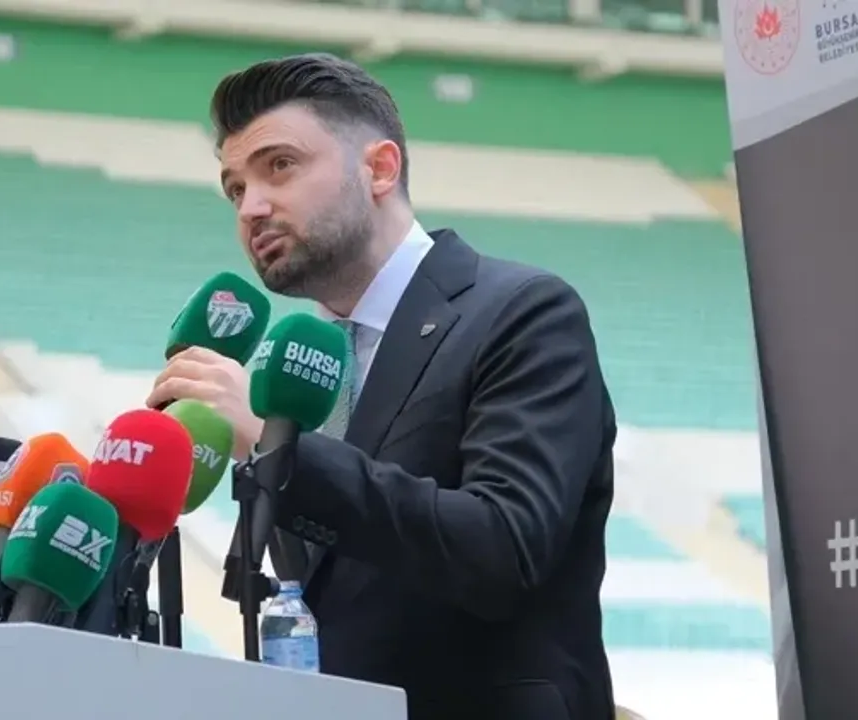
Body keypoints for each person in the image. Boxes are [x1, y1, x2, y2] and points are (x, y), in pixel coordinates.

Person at [146, 53, 617, 720]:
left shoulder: (524, 312)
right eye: (234, 189)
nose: (252, 207)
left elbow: (504, 548)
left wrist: (279, 444)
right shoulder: (294, 365)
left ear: (380, 168)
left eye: (280, 165)